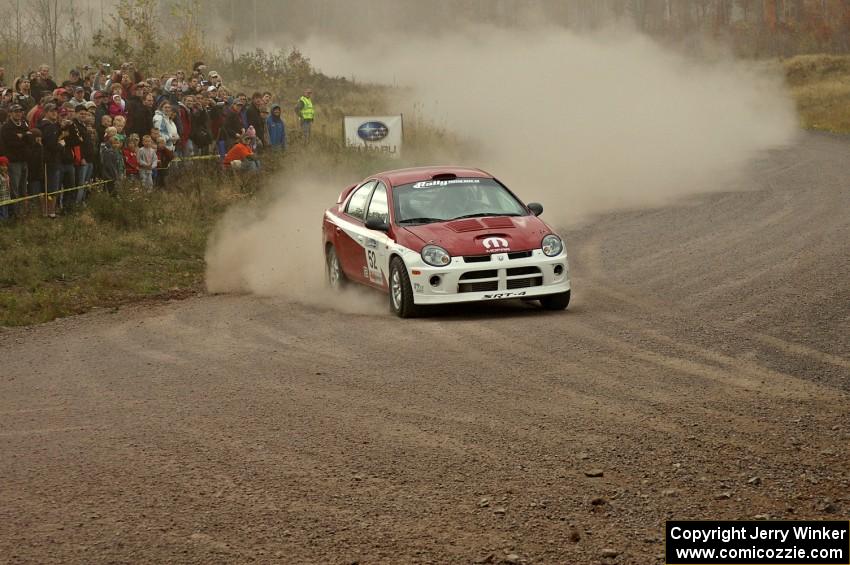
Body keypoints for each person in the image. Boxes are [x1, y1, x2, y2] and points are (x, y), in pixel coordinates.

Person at [1, 104, 32, 212]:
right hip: (13, 161)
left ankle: (23, 210)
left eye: (20, 111)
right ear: (10, 113)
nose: (18, 113)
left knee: (23, 187)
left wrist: (22, 136)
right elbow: (12, 143)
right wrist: (24, 136)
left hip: (24, 159)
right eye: (16, 111)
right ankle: (15, 212)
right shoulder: (6, 127)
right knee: (14, 187)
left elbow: (30, 139)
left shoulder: (24, 124)